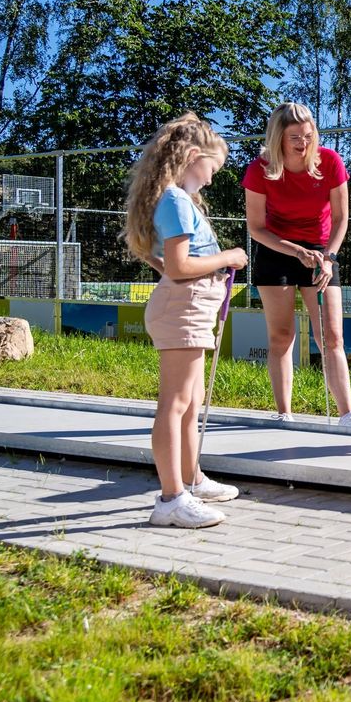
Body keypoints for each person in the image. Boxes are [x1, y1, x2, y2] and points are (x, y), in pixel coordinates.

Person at [124, 112, 248, 528]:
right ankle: (171, 499)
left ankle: (191, 480)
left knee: (190, 404)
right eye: (212, 168)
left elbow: (158, 259)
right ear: (194, 156)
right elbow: (179, 266)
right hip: (185, 305)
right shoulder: (176, 199)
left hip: (188, 304)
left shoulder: (172, 199)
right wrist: (229, 258)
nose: (212, 179)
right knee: (175, 406)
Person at [243, 102, 351, 428]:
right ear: (278, 138)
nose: (303, 142)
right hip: (276, 250)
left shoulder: (330, 161)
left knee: (331, 336)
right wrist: (293, 250)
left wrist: (329, 258)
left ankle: (347, 415)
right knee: (282, 336)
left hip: (321, 252)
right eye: (294, 138)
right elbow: (255, 228)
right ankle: (284, 414)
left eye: (308, 134)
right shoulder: (259, 169)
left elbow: (342, 218)